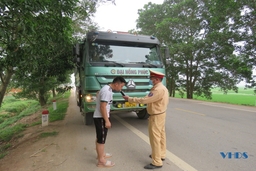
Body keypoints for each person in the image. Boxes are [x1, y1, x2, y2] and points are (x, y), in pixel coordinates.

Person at [122, 70, 169, 170]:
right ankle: (161, 154)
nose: (151, 80)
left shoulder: (157, 90)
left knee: (155, 138)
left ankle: (157, 162)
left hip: (156, 116)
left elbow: (145, 100)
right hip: (161, 114)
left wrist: (130, 99)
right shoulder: (162, 88)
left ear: (157, 79)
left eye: (152, 79)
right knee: (161, 136)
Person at [94, 76, 126, 168]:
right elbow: (102, 107)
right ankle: (101, 161)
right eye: (121, 86)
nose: (121, 88)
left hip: (100, 117)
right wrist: (107, 121)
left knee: (100, 137)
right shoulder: (107, 91)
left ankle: (101, 154)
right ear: (116, 84)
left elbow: (99, 95)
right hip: (101, 118)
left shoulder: (106, 88)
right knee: (101, 140)